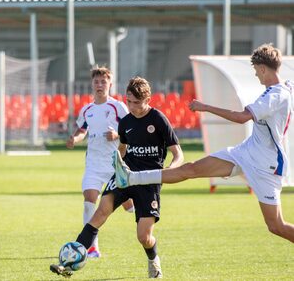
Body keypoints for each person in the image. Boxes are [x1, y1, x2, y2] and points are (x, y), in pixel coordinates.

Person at [114, 43, 294, 243]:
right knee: (191, 169)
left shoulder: (276, 95)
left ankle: (131, 178)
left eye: (256, 71)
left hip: (266, 164)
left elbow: (242, 117)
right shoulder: (284, 87)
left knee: (276, 226)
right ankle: (130, 178)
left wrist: (205, 107)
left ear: (262, 68)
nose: (256, 76)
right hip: (245, 152)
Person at [51, 76, 184, 278]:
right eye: (129, 101)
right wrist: (117, 169)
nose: (132, 107)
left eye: (137, 103)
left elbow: (178, 153)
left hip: (149, 180)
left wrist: (170, 170)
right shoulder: (126, 122)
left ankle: (153, 259)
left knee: (144, 236)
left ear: (148, 100)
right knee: (100, 212)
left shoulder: (158, 119)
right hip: (125, 176)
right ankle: (69, 262)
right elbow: (122, 149)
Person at [66, 66, 134, 258]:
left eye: (103, 81)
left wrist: (117, 134)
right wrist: (75, 139)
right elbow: (82, 130)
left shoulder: (117, 107)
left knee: (128, 206)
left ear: (110, 84)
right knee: (89, 199)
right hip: (94, 164)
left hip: (114, 164)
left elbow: (130, 128)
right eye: (96, 81)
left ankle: (145, 223)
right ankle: (91, 247)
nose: (99, 85)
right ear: (92, 84)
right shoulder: (87, 110)